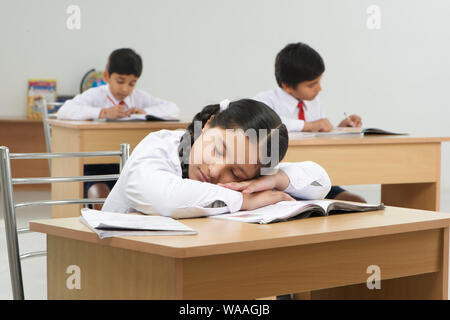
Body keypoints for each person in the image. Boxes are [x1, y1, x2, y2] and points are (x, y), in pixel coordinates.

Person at [102, 99, 331, 217]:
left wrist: (275, 180)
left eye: (236, 173)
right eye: (218, 150)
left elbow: (320, 181)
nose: (215, 171)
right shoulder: (161, 145)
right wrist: (245, 201)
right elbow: (164, 198)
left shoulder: (252, 166)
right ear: (208, 124)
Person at [57, 48, 180, 209]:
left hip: (128, 165)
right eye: (120, 81)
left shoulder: (139, 98)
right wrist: (102, 112)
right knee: (99, 193)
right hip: (95, 166)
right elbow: (64, 111)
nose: (125, 89)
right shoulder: (95, 95)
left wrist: (146, 111)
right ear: (107, 76)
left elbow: (173, 109)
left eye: (132, 83)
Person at [254, 42, 365, 203]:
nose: (319, 88)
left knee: (357, 201)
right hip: (281, 182)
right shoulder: (264, 101)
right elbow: (269, 125)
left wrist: (339, 128)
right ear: (287, 87)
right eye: (312, 84)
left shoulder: (313, 102)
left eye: (319, 81)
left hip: (313, 181)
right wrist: (310, 125)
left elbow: (317, 133)